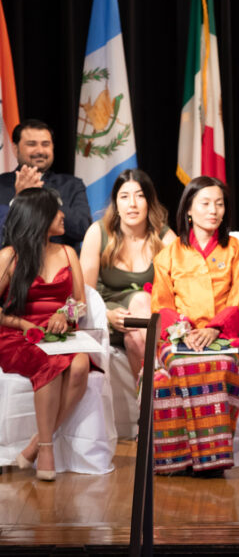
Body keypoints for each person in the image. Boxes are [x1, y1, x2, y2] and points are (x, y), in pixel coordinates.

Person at [150, 176, 239, 477]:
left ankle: (211, 461)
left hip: (224, 335)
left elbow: (238, 299)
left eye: (219, 204)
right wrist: (184, 330)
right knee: (172, 371)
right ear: (189, 210)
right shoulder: (168, 254)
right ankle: (178, 461)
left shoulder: (236, 250)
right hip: (178, 336)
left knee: (221, 365)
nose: (214, 210)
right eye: (205, 203)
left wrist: (214, 329)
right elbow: (163, 304)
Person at [0, 187, 92, 481]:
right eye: (56, 210)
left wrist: (64, 314)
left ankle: (32, 447)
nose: (64, 216)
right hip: (18, 334)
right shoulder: (9, 257)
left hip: (59, 334)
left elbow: (81, 305)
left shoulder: (67, 252)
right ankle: (46, 448)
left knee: (80, 366)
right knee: (49, 365)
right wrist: (23, 324)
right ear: (39, 216)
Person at [80, 169, 176, 377]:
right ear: (116, 203)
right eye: (124, 197)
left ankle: (145, 400)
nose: (132, 204)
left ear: (149, 201)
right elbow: (83, 293)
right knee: (141, 303)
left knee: (135, 337)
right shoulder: (98, 232)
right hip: (107, 313)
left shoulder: (164, 237)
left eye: (140, 196)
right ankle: (163, 383)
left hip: (149, 318)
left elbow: (182, 286)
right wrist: (107, 315)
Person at [0, 120, 91, 250]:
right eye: (31, 144)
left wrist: (44, 196)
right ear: (15, 149)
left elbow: (83, 230)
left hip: (61, 266)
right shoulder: (1, 185)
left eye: (45, 144)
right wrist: (19, 199)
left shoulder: (72, 185)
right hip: (12, 266)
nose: (40, 151)